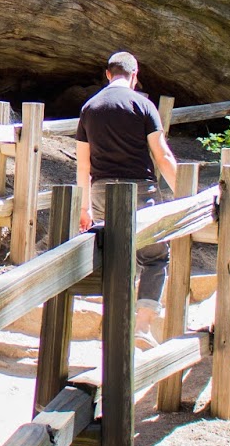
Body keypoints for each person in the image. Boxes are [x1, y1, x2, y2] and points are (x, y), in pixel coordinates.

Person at [75, 50, 180, 347]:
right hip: (140, 191)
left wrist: (84, 207)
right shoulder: (143, 105)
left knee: (116, 257)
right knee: (154, 257)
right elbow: (162, 155)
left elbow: (83, 165)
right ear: (134, 76)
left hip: (102, 192)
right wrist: (184, 192)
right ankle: (142, 325)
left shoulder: (89, 108)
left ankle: (116, 325)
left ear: (108, 74)